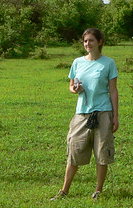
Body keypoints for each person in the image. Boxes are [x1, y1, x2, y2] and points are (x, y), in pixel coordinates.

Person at [51, 28, 119, 199]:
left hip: (103, 112)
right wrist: (75, 89)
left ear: (100, 42)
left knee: (102, 153)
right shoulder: (77, 62)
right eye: (85, 41)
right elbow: (71, 85)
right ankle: (64, 190)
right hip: (82, 113)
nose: (88, 44)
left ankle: (98, 191)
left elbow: (113, 91)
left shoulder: (108, 63)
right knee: (74, 150)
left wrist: (115, 116)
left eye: (91, 40)